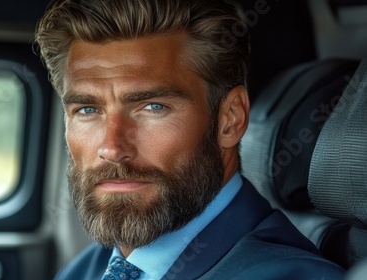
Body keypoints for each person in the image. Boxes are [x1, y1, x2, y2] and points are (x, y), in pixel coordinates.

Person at [35, 0, 345, 279]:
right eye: (87, 109)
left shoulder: (290, 276)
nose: (113, 148)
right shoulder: (89, 267)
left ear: (230, 119)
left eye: (153, 107)